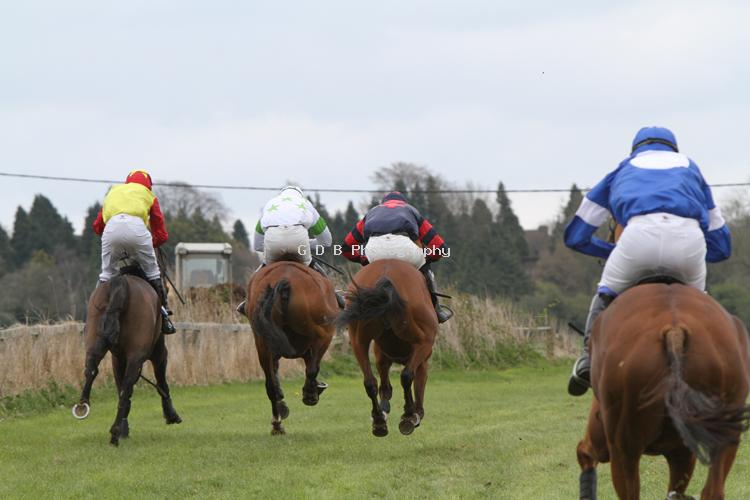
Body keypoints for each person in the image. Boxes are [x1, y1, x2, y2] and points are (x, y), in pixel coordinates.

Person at [564, 126, 731, 396]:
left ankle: (586, 360)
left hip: (637, 239)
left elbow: (575, 236)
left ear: (636, 149)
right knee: (700, 306)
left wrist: (612, 251)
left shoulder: (622, 169)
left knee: (605, 292)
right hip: (688, 242)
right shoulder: (691, 169)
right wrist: (697, 252)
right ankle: (717, 360)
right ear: (673, 148)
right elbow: (722, 247)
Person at [341, 191, 453, 323]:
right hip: (405, 249)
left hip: (374, 250)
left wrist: (363, 259)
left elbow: (346, 248)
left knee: (365, 274)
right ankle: (437, 309)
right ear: (403, 202)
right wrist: (427, 258)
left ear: (383, 203)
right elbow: (440, 248)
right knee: (427, 270)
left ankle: (349, 309)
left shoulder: (372, 212)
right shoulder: (411, 210)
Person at [93, 169, 176, 334]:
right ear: (148, 186)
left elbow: (97, 226)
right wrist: (149, 245)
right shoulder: (148, 195)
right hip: (138, 232)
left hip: (111, 230)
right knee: (153, 272)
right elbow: (161, 234)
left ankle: (93, 318)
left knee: (106, 274)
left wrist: (115, 241)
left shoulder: (113, 192)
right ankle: (165, 317)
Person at [239, 186, 343, 310]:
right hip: (298, 239)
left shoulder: (271, 204)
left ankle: (248, 300)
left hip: (273, 241)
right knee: (312, 266)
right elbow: (326, 241)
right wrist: (305, 246)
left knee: (263, 267)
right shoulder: (306, 204)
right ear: (300, 195)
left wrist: (276, 247)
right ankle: (334, 295)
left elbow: (257, 245)